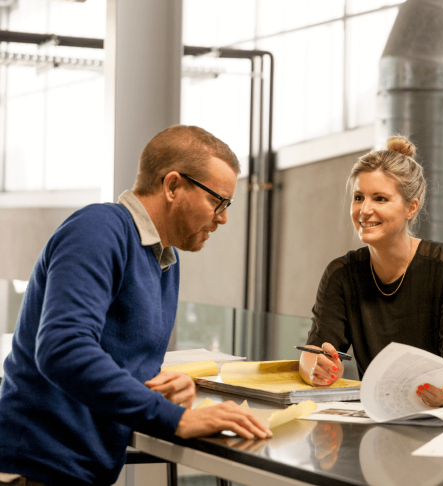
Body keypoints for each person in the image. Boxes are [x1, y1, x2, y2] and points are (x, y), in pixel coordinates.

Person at [0, 125, 271, 486]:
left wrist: (163, 389)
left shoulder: (164, 262)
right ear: (173, 186)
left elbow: (108, 367)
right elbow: (63, 349)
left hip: (79, 472)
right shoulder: (98, 229)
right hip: (34, 470)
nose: (222, 218)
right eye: (217, 201)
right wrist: (177, 418)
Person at [299, 136, 443, 406]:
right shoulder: (341, 274)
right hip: (382, 417)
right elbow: (312, 352)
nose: (364, 210)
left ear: (411, 207)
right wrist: (317, 368)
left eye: (380, 198)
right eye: (358, 197)